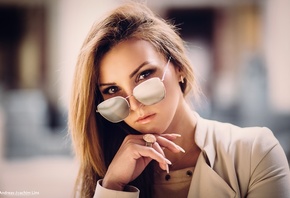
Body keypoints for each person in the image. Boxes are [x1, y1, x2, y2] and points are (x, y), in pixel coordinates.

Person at [68, 2, 290, 198]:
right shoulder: (106, 176)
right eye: (112, 89)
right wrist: (113, 187)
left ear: (179, 68)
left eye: (144, 75)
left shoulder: (256, 153)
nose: (134, 106)